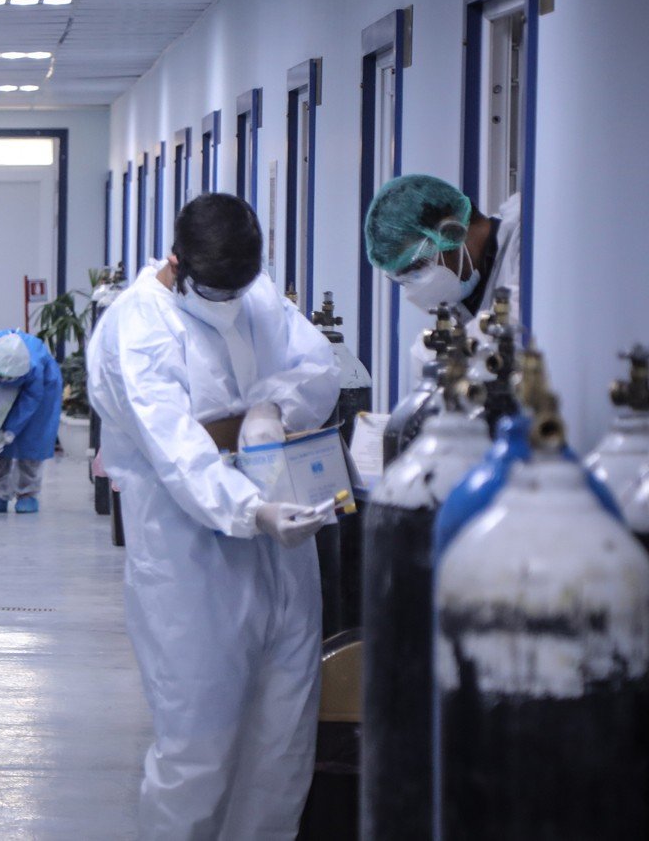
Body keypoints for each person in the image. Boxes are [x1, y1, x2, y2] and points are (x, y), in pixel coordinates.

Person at [86, 193, 341, 837]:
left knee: (282, 740)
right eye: (216, 289)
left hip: (285, 548)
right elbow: (176, 450)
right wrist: (251, 509)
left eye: (240, 288)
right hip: (187, 554)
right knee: (197, 746)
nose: (229, 301)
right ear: (177, 263)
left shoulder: (256, 294)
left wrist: (274, 408)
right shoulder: (138, 328)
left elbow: (316, 364)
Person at [364, 174, 521, 374]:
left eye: (418, 266)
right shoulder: (463, 302)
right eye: (403, 280)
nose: (413, 288)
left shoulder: (526, 240)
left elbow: (519, 321)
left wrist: (449, 353)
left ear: (451, 232)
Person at [0, 330, 63, 514]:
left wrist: (12, 429)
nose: (5, 381)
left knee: (32, 438)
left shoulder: (36, 367)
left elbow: (31, 400)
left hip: (43, 389)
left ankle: (27, 493)